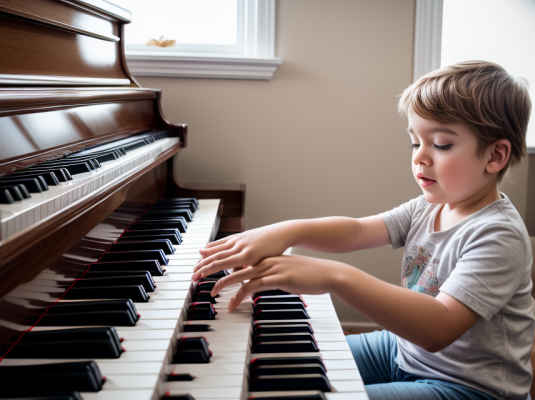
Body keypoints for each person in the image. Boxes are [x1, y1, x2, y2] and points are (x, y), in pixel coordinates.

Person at [192, 61, 534, 400]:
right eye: (415, 143)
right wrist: (287, 231)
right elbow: (356, 231)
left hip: (468, 387)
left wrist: (333, 276)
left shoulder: (498, 235)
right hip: (403, 349)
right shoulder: (428, 206)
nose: (420, 158)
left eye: (441, 144)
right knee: (293, 357)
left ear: (495, 155)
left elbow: (439, 327)